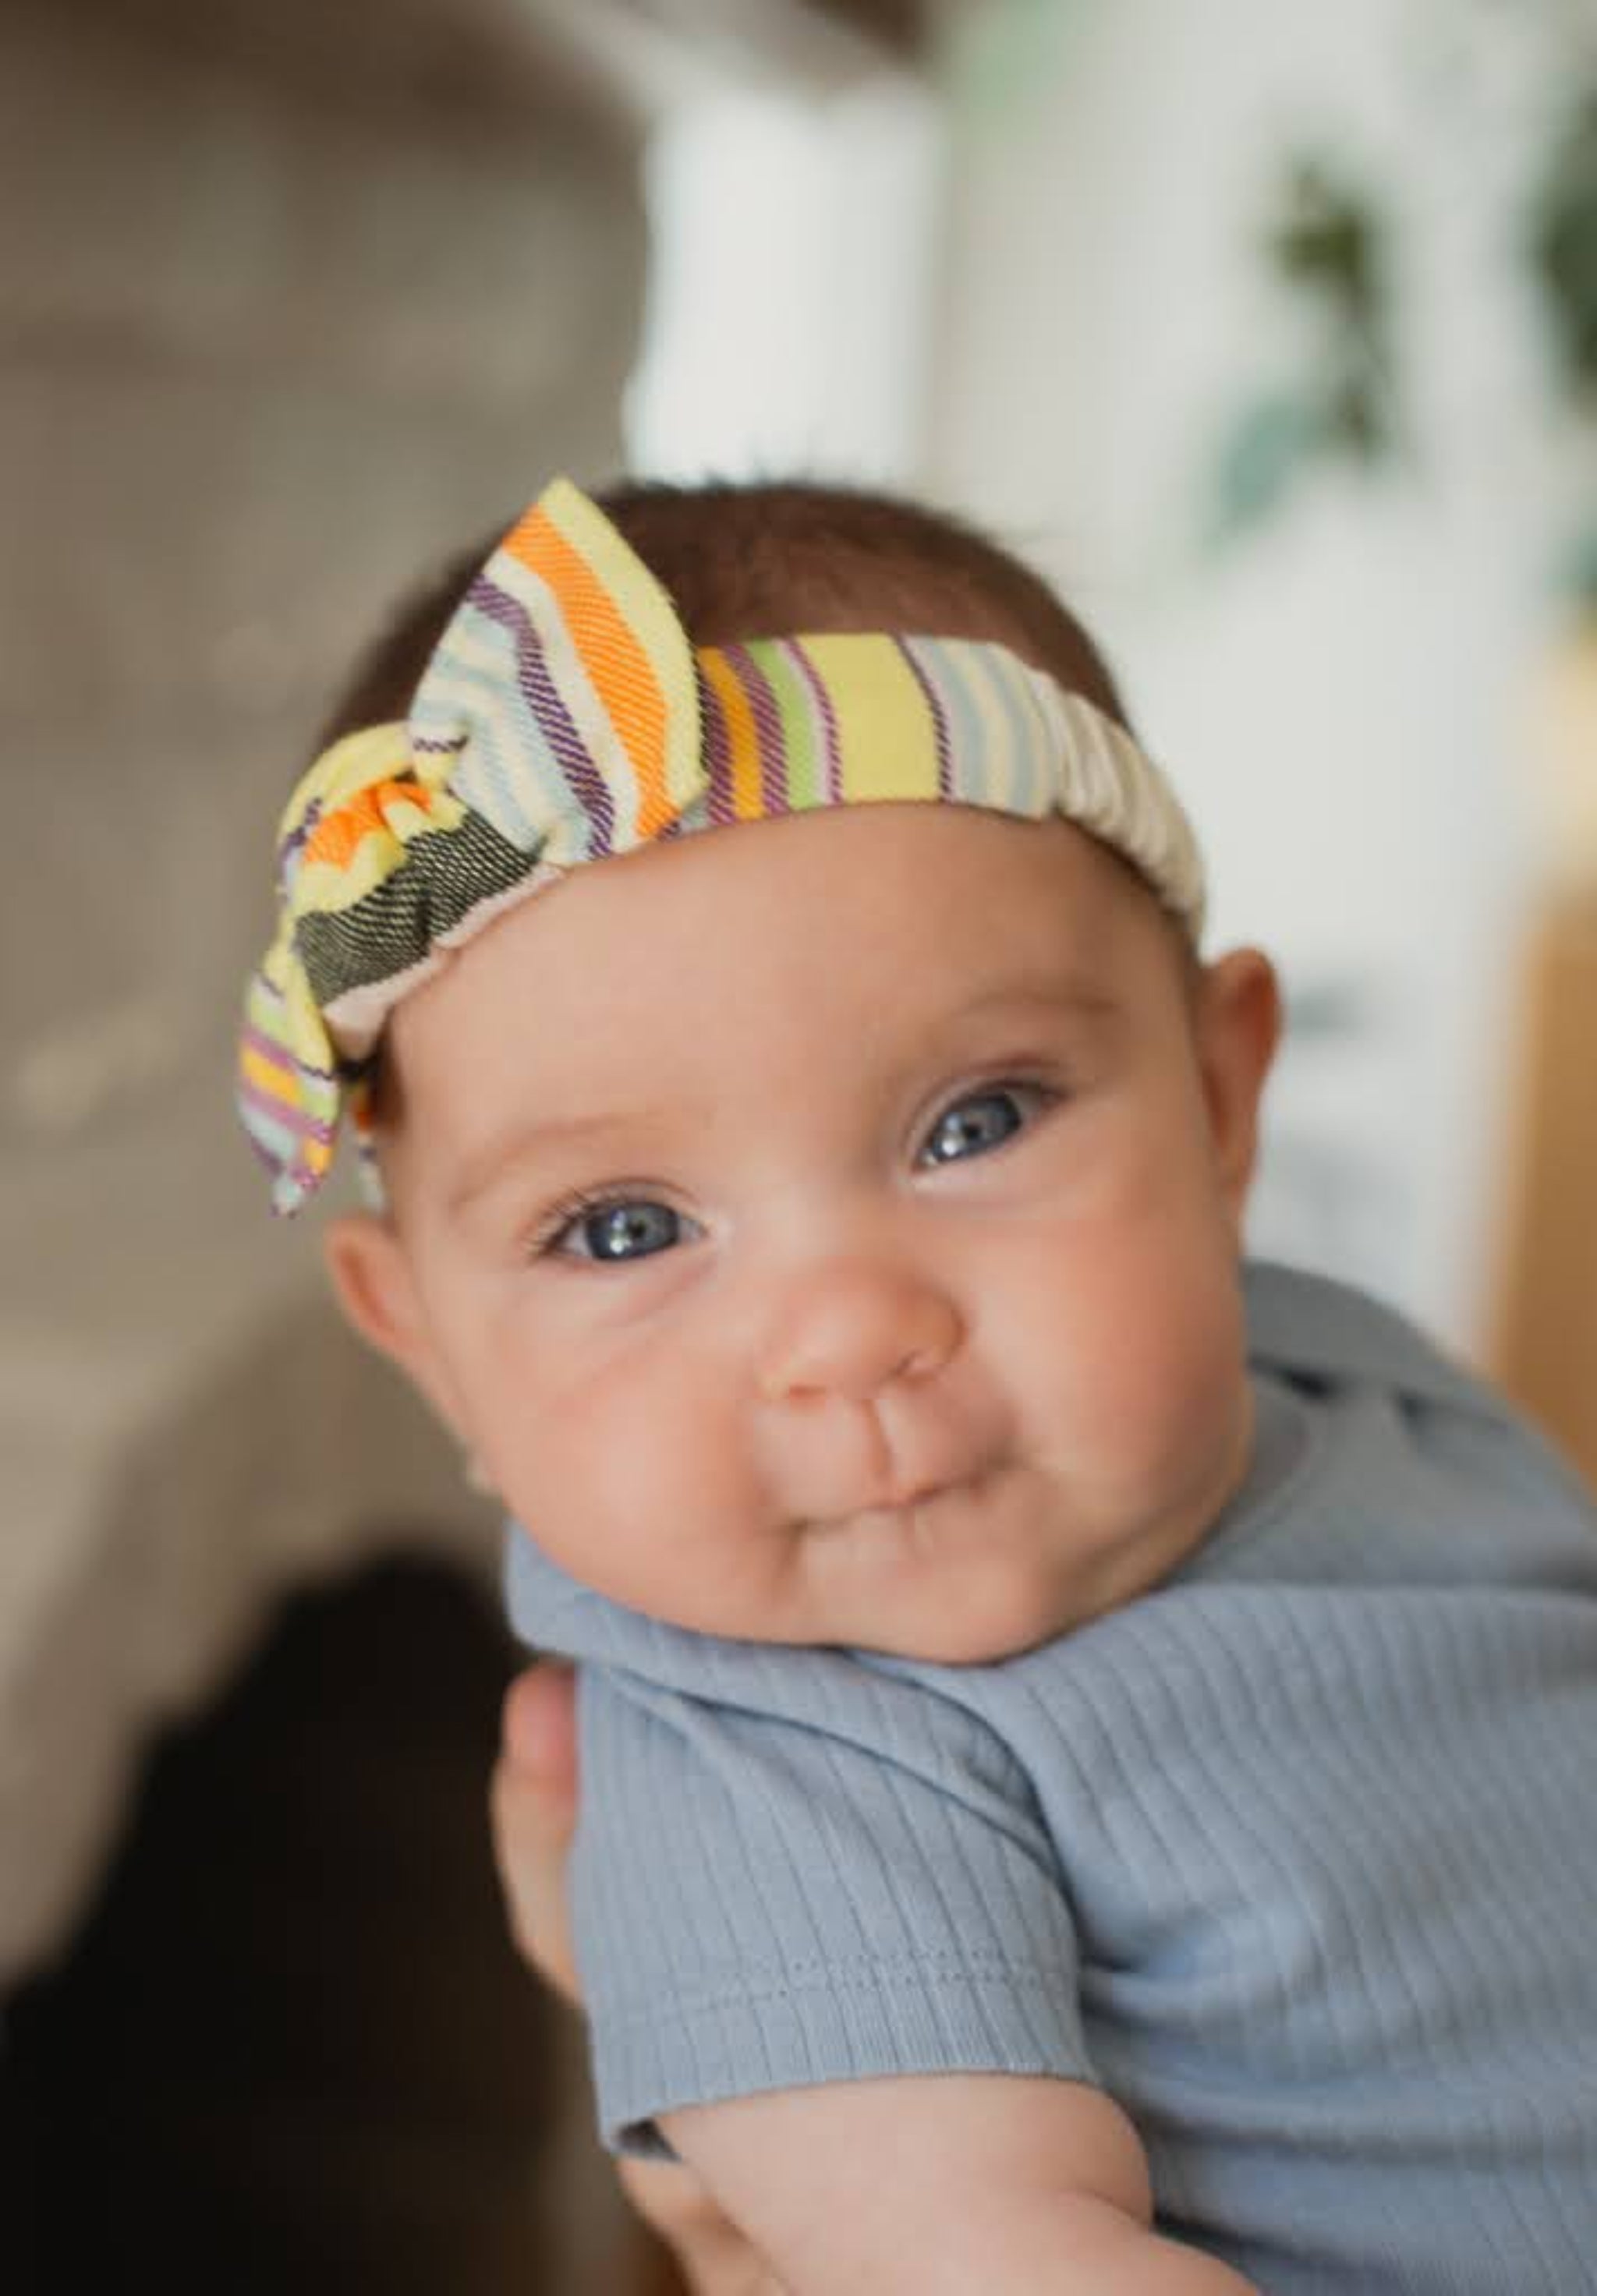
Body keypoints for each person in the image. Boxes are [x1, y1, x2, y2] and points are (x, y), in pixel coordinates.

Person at [239, 474, 1597, 2295]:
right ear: (427, 1344)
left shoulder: (1347, 1376)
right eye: (624, 1231)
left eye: (974, 1123)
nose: (846, 1331)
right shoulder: (766, 1757)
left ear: (1215, 1106)